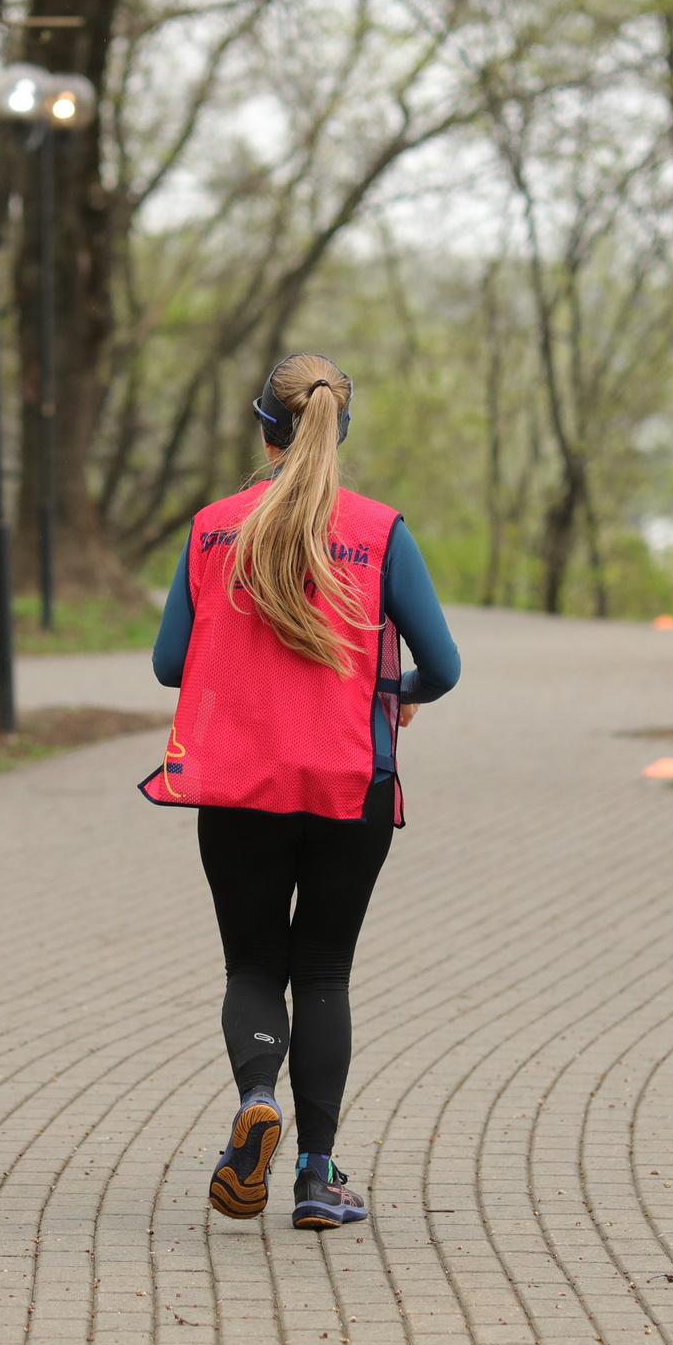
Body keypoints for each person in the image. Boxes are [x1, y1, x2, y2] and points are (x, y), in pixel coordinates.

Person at [142, 352, 460, 1230]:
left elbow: (171, 662)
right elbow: (446, 666)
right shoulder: (380, 530)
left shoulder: (212, 528)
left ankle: (256, 1097)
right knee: (323, 970)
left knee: (253, 963)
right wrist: (394, 695)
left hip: (237, 783)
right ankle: (318, 1176)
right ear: (338, 429)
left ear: (264, 428)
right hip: (350, 784)